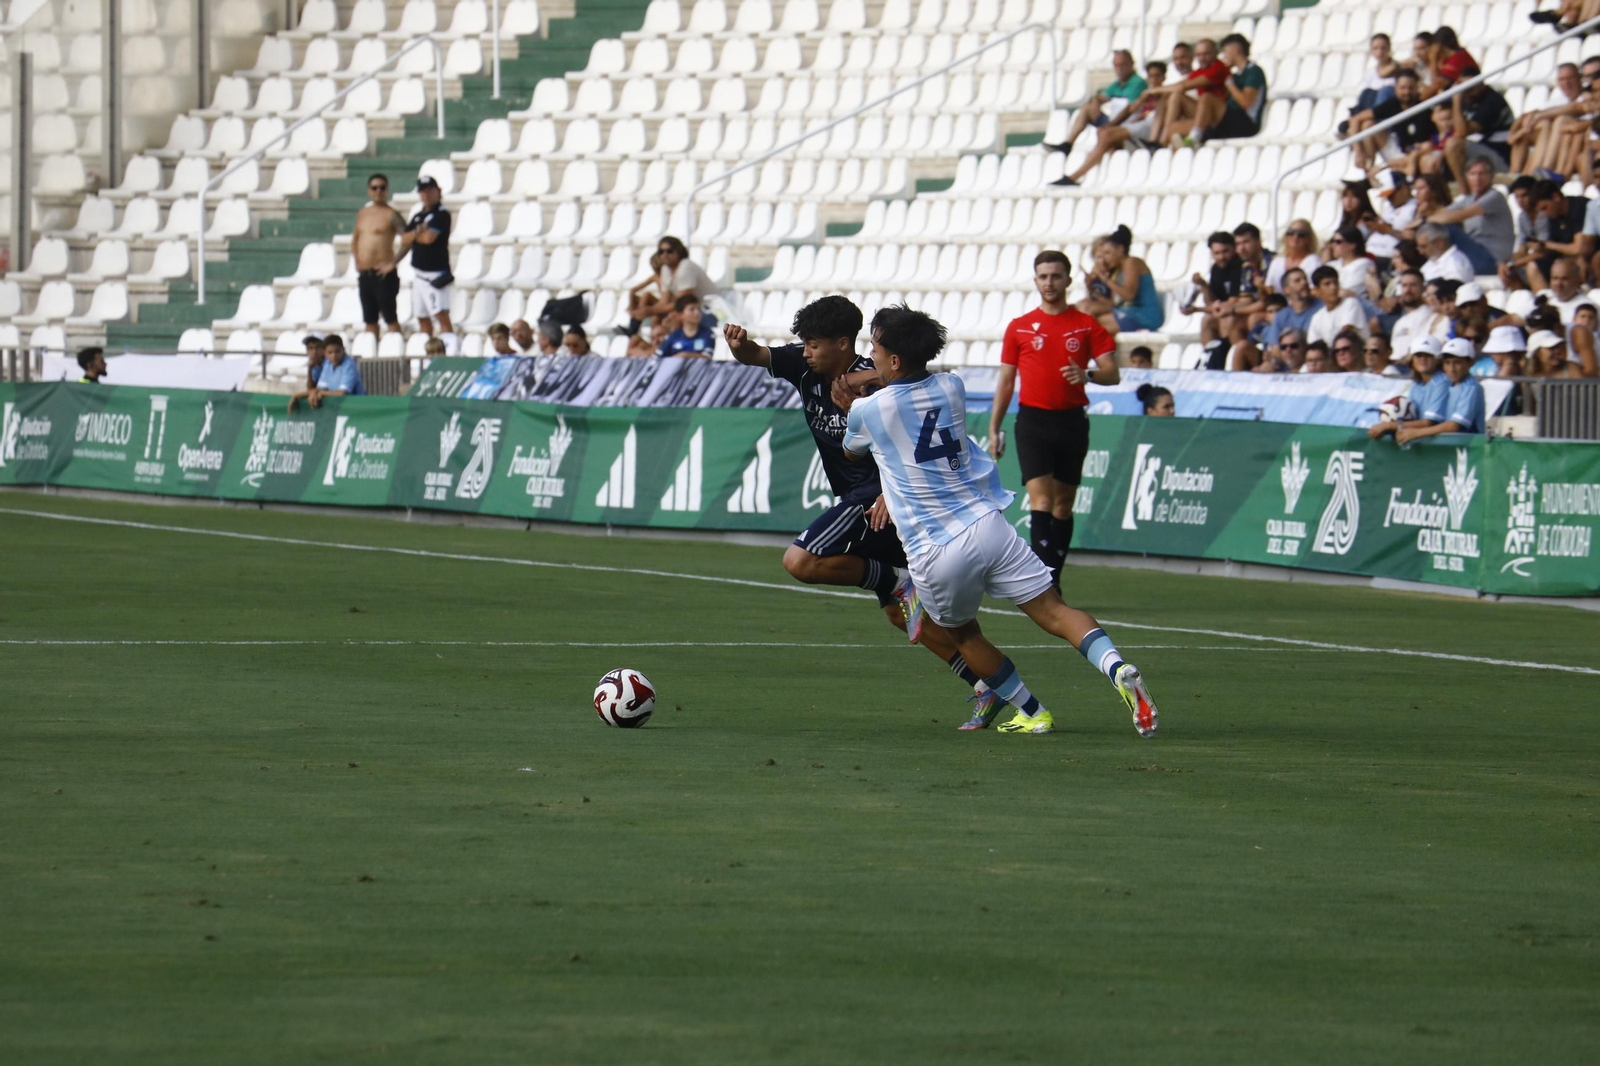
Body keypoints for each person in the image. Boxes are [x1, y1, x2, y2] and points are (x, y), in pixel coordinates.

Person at [841, 303, 1158, 738]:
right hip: (987, 525)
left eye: (875, 347)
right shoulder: (951, 385)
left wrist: (851, 401)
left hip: (935, 547)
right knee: (1055, 611)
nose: (870, 354)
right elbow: (908, 390)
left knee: (963, 636)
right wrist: (877, 381)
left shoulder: (868, 411)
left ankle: (1033, 712)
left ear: (894, 359)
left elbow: (852, 452)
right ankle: (1118, 667)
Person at [722, 296, 1011, 730]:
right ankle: (986, 684)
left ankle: (897, 582)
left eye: (814, 344)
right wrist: (738, 343)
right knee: (900, 614)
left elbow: (907, 425)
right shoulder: (804, 367)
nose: (805, 352)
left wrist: (885, 492)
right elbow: (755, 355)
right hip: (870, 506)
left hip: (877, 497)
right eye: (804, 344)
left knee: (800, 560)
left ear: (843, 343)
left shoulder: (878, 384)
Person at [988, 250, 1120, 591]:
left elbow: (1113, 373)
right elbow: (1006, 381)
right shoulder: (1019, 327)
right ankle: (1043, 581)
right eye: (1043, 276)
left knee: (1063, 505)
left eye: (1056, 276)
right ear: (1036, 280)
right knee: (1042, 501)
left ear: (1068, 280)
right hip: (1033, 421)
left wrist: (1087, 374)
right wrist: (994, 427)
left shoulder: (1085, 325)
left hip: (1072, 422)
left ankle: (1053, 578)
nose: (1049, 283)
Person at [1054, 59, 1169, 185]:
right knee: (1107, 137)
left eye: (1157, 76)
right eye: (1151, 76)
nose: (1154, 80)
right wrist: (1141, 100)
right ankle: (1102, 180)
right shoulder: (1145, 95)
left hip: (1150, 130)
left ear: (1163, 77)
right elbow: (1132, 109)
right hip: (1137, 128)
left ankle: (1075, 176)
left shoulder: (1166, 94)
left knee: (1106, 134)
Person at [1046, 49, 1147, 156]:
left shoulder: (1138, 83)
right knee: (1087, 109)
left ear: (1131, 64)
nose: (1119, 68)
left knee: (1106, 136)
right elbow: (1101, 98)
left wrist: (1111, 125)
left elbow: (1129, 110)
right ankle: (1068, 144)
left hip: (1127, 126)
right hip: (1114, 123)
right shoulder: (1117, 84)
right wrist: (1095, 102)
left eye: (1122, 64)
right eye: (1116, 65)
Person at [1427, 157, 1515, 273]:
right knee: (1431, 229)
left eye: (1481, 174)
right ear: (1467, 177)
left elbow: (1462, 215)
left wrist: (1429, 219)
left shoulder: (1495, 196)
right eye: (1472, 174)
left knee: (1446, 229)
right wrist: (1426, 217)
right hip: (1475, 251)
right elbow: (1443, 212)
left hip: (1491, 257)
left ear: (1491, 176)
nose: (1477, 179)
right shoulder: (1469, 199)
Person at [400, 175, 455, 352]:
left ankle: (448, 351)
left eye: (430, 190)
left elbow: (428, 238)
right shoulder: (418, 216)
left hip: (434, 275)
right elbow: (404, 239)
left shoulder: (441, 214)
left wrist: (416, 234)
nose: (426, 194)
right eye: (423, 191)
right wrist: (418, 232)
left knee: (441, 315)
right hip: (419, 275)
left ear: (437, 191)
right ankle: (428, 351)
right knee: (422, 317)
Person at [1396, 337, 1487, 440]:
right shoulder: (1450, 384)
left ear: (1471, 363)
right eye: (1447, 363)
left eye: (1457, 363)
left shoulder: (1471, 387)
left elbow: (1454, 426)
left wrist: (1416, 433)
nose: (1451, 369)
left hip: (1470, 446)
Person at [1078, 225, 1162, 333]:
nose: (1105, 258)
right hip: (1129, 312)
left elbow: (1129, 295)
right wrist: (1091, 287)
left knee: (1091, 325)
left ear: (1120, 249)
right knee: (1084, 310)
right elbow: (1112, 303)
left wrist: (1105, 280)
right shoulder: (1119, 269)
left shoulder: (1131, 262)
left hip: (1145, 316)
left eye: (1108, 253)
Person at [1184, 229, 1247, 368]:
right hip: (1224, 311)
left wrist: (1197, 309)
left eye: (1225, 252)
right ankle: (1210, 359)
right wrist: (1204, 285)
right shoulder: (1216, 269)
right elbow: (1211, 302)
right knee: (1207, 320)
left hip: (1239, 312)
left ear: (1234, 249)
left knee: (1226, 319)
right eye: (1217, 253)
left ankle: (1228, 361)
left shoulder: (1239, 266)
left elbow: (1233, 301)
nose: (1221, 257)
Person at [352, 174, 404, 339]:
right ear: (369, 190)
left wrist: (393, 263)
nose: (378, 191)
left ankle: (397, 349)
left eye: (382, 188)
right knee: (370, 320)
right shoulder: (362, 213)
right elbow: (356, 238)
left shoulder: (392, 214)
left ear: (387, 190)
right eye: (374, 188)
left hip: (383, 275)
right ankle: (371, 350)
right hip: (365, 274)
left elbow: (408, 239)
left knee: (390, 318)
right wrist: (357, 259)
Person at [1192, 33, 1267, 145]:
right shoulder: (1236, 75)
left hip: (1245, 123)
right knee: (1175, 127)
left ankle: (1194, 138)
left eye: (1225, 51)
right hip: (1229, 119)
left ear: (1235, 50)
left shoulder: (1253, 71)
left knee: (1206, 98)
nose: (1224, 56)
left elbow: (1246, 102)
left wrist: (1229, 84)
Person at [1154, 38, 1229, 148]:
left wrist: (1152, 90)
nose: (1202, 58)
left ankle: (1165, 144)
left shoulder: (1219, 67)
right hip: (1203, 116)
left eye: (1206, 54)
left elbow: (1182, 87)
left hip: (1219, 117)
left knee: (1185, 96)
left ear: (1216, 53)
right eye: (1199, 55)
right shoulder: (1199, 71)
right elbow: (1181, 84)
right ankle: (1160, 145)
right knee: (1173, 128)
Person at [1370, 335, 1449, 438]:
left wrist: (1390, 426)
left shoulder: (1442, 382)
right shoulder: (1417, 383)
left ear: (1437, 359)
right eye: (1418, 355)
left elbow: (1429, 422)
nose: (1423, 359)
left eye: (1428, 355)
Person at [634, 237, 717, 328]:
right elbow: (664, 300)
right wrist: (649, 310)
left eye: (669, 251)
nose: (665, 255)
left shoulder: (685, 267)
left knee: (674, 319)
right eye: (661, 252)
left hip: (709, 310)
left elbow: (684, 301)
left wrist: (652, 310)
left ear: (679, 252)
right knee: (657, 317)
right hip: (693, 309)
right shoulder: (665, 269)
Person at [288, 334, 363, 413]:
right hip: (338, 407)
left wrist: (320, 393)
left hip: (357, 407)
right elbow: (320, 389)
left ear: (343, 350)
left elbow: (342, 393)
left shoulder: (349, 365)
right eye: (330, 352)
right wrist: (297, 395)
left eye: (337, 351)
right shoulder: (328, 365)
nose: (334, 356)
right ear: (325, 353)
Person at [1307, 265, 1370, 346]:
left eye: (1335, 282)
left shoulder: (1351, 303)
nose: (1333, 287)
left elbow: (1345, 334)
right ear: (1316, 290)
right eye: (1327, 284)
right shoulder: (1317, 318)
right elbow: (1314, 345)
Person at [1264, 220, 1321, 292]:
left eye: (1301, 234)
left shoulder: (1314, 261)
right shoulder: (1277, 262)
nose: (1295, 237)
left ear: (1308, 238)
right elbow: (1269, 289)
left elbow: (1315, 290)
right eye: (1291, 232)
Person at [1386, 270, 1432, 354]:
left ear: (1423, 289)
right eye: (1404, 285)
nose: (1408, 290)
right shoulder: (1399, 322)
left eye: (1413, 285)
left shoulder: (1428, 315)